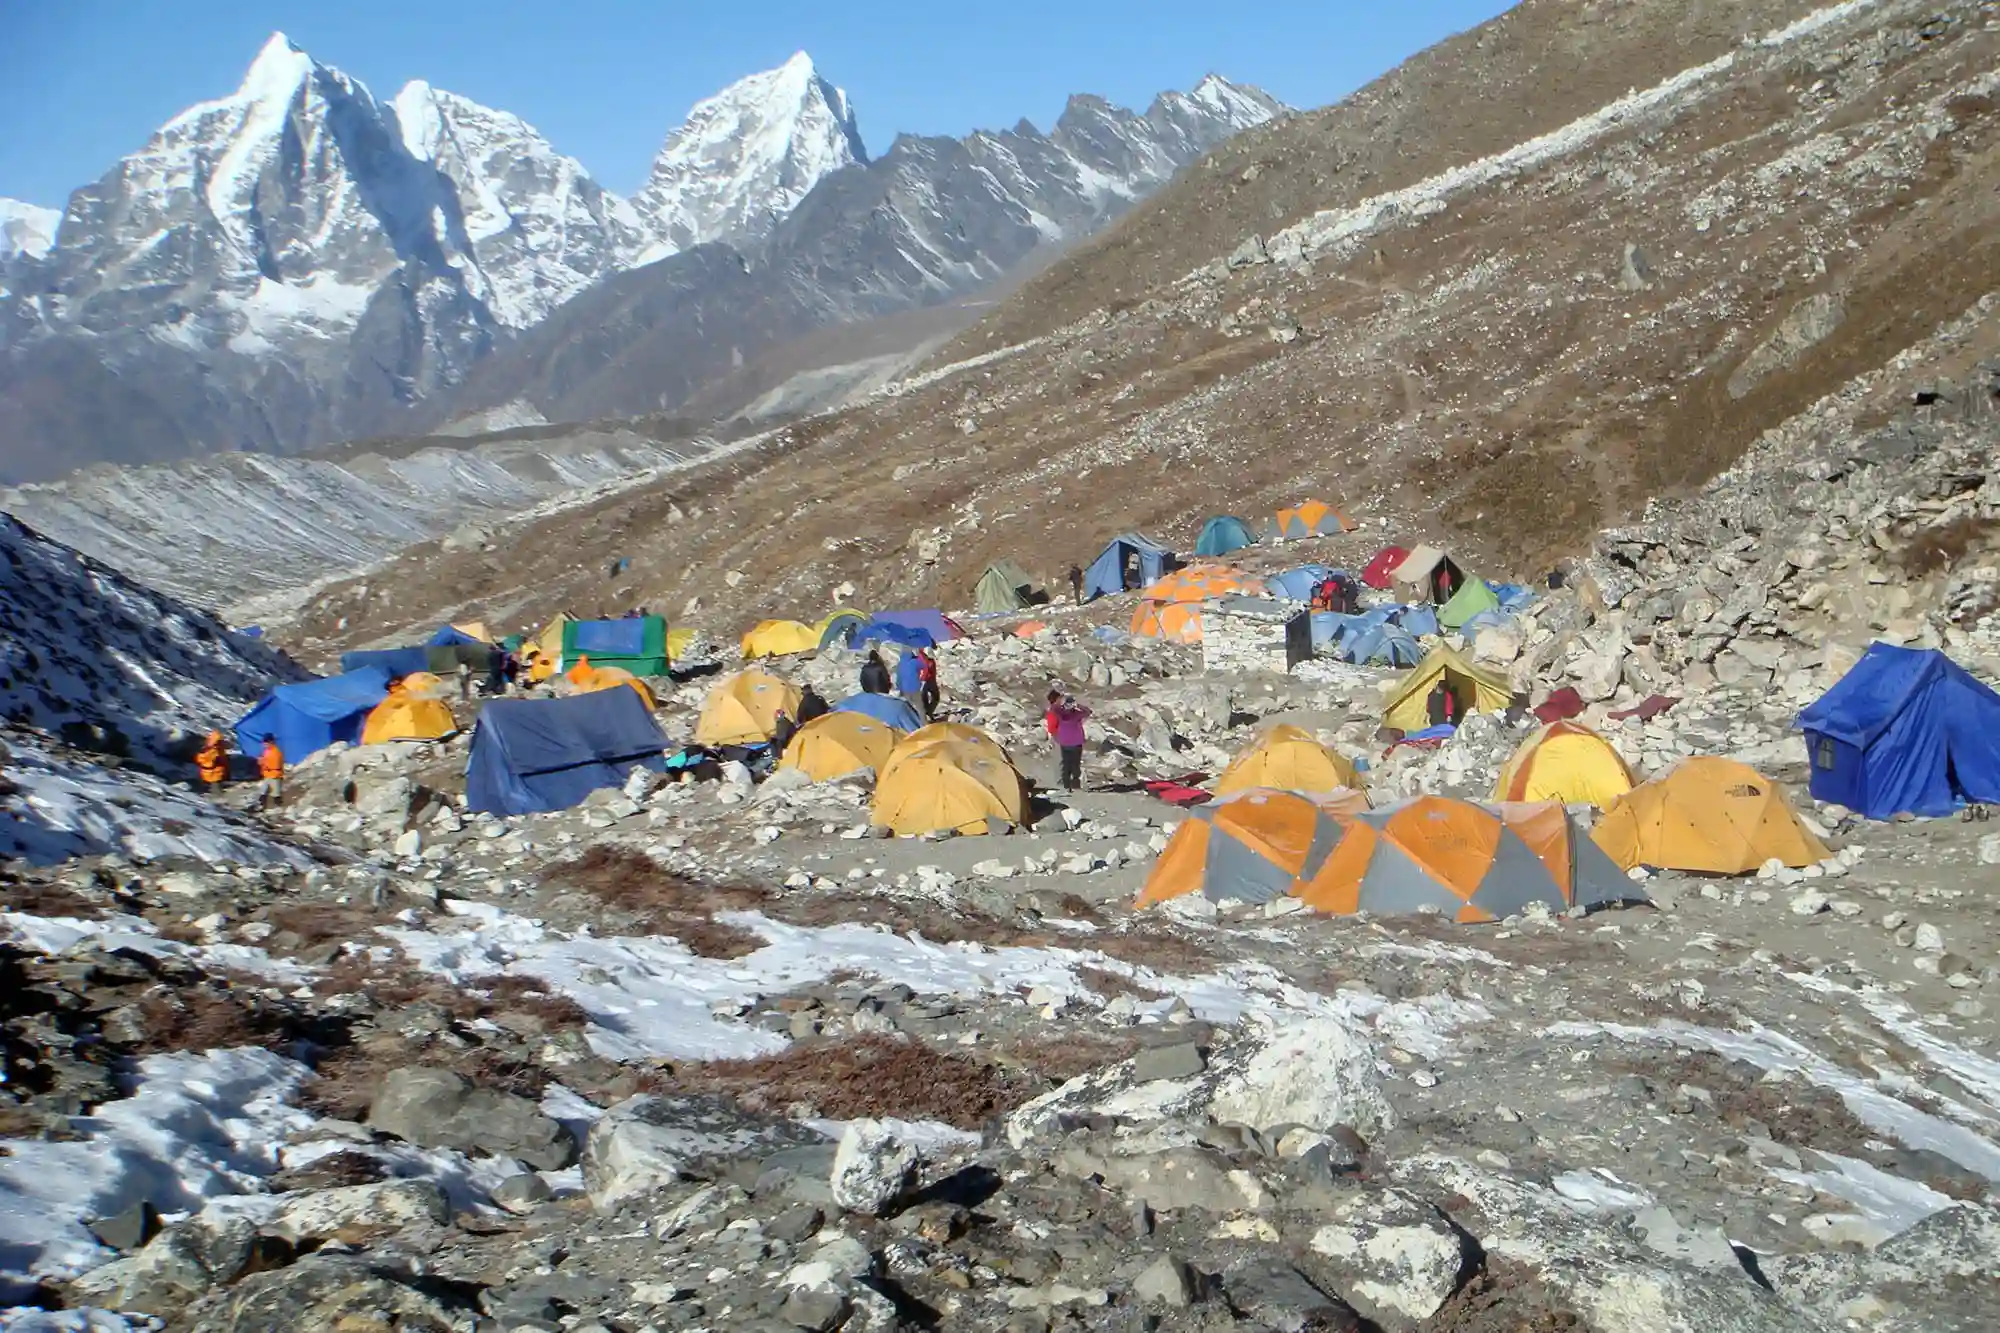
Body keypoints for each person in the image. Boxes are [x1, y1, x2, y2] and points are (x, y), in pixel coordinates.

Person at [1051, 694, 1091, 792]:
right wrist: (1078, 705)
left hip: (1064, 742)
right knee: (1076, 764)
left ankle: (1066, 785)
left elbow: (1053, 708)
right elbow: (1088, 712)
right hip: (1076, 742)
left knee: (1066, 763)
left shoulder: (1061, 713)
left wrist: (1061, 703)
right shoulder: (1076, 714)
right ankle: (1075, 783)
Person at [257, 739, 285, 809]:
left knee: (276, 793)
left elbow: (274, 764)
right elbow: (263, 762)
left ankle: (278, 807)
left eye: (266, 743)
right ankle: (261, 806)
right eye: (264, 743)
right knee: (263, 791)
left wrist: (262, 761)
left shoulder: (275, 752)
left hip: (274, 775)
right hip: (267, 774)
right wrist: (261, 761)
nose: (264, 745)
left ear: (270, 742)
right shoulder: (267, 751)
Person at [916, 647, 940, 720]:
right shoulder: (923, 656)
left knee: (925, 699)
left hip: (926, 679)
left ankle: (928, 714)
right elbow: (925, 668)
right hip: (927, 680)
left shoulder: (919, 654)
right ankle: (928, 714)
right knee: (934, 697)